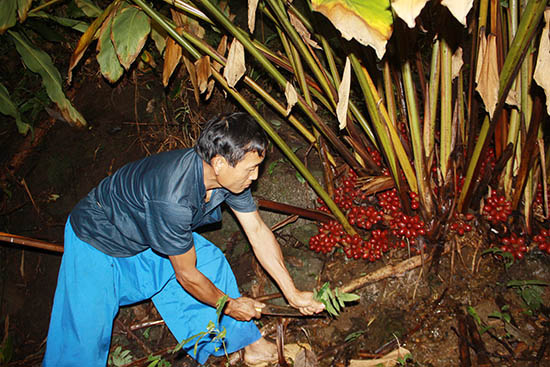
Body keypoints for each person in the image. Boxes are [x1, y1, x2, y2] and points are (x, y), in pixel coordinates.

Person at [43, 112, 324, 366]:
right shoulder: (172, 197)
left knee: (209, 262)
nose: (255, 176)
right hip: (97, 238)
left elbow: (258, 232)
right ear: (220, 163)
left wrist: (292, 293)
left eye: (258, 168)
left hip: (143, 233)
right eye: (250, 169)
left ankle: (250, 346)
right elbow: (187, 276)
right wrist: (229, 304)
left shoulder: (229, 180)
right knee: (83, 340)